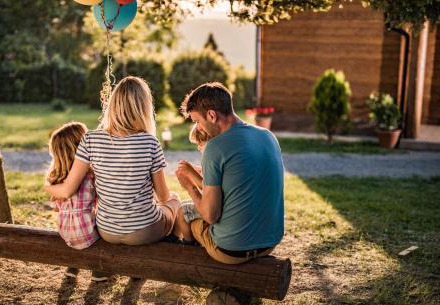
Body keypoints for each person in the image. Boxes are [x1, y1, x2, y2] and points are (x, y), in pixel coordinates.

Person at [44, 76, 180, 249]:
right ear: (144, 108)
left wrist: (47, 187)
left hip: (107, 231)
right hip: (145, 231)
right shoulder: (150, 142)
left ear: (113, 105)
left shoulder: (90, 139)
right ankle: (173, 248)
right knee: (174, 201)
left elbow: (67, 190)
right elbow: (163, 197)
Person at [173, 82, 285, 265]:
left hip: (232, 250)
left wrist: (189, 187)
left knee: (187, 215)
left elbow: (210, 216)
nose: (199, 128)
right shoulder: (268, 136)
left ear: (211, 115)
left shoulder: (215, 148)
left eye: (197, 122)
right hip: (269, 243)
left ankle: (192, 266)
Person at [46, 121, 104, 281]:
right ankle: (98, 270)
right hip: (87, 230)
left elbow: (56, 207)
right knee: (100, 225)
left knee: (77, 227)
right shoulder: (91, 175)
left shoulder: (56, 177)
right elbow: (101, 201)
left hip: (65, 231)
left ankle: (73, 266)